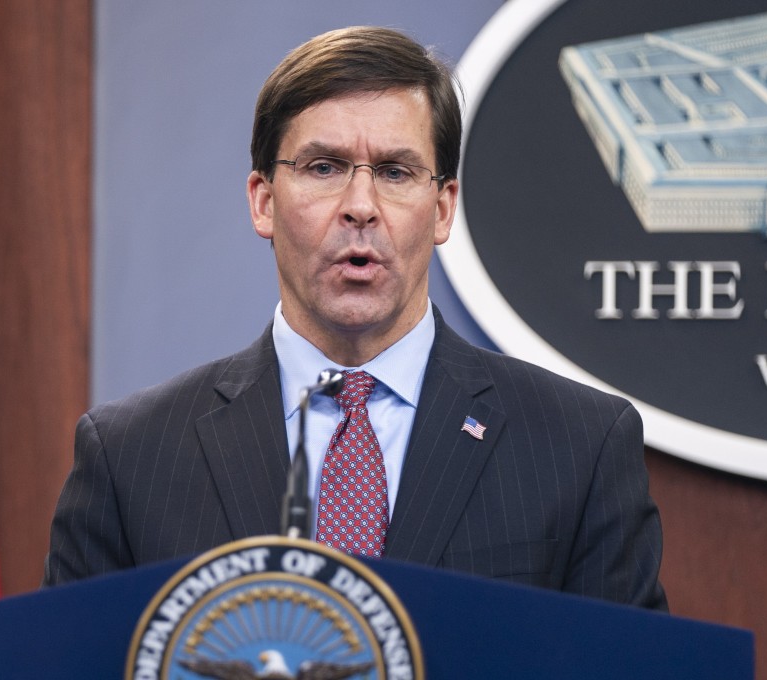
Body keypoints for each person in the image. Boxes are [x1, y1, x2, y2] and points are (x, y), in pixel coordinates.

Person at [43, 26, 667, 610]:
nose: (361, 207)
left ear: (444, 208)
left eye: (395, 172)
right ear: (262, 201)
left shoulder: (579, 448)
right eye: (324, 167)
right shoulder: (130, 457)